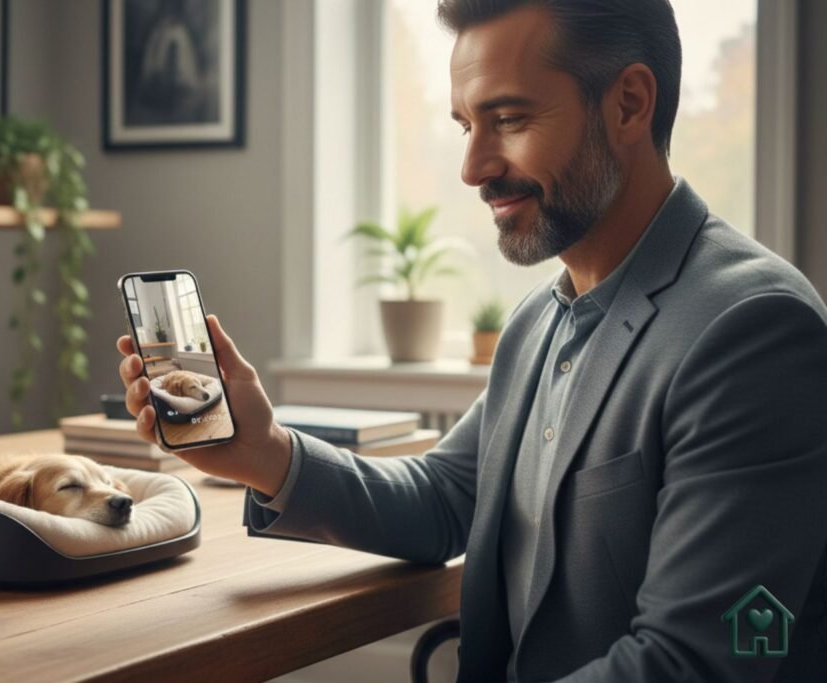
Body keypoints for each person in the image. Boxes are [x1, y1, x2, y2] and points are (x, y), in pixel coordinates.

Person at [117, 1, 827, 680]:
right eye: (466, 126)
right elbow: (446, 496)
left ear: (629, 104)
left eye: (509, 118)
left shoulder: (752, 331)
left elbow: (695, 663)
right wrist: (264, 451)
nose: (473, 167)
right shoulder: (538, 321)